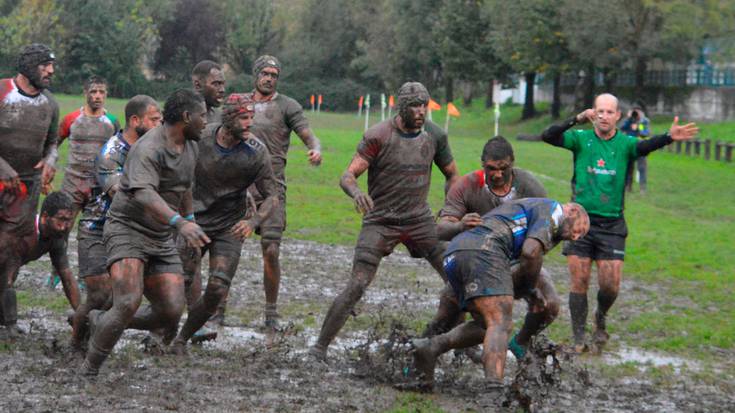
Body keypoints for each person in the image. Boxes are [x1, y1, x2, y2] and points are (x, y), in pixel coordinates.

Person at [310, 82, 459, 360]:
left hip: (420, 221)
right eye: (415, 105)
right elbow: (347, 176)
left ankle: (455, 343)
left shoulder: (435, 135)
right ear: (401, 107)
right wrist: (357, 193)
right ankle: (319, 347)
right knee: (357, 285)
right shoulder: (378, 135)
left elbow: (453, 175)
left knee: (457, 279)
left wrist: (450, 207)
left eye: (424, 105)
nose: (421, 111)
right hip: (381, 221)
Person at [539, 93, 698, 352]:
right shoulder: (580, 139)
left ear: (617, 116)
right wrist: (576, 119)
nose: (603, 116)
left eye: (609, 112)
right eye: (599, 111)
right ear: (593, 113)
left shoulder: (624, 144)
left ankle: (601, 316)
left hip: (612, 224)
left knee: (610, 285)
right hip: (579, 223)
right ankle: (579, 339)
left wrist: (669, 137)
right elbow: (548, 136)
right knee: (578, 281)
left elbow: (644, 147)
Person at [81, 89, 210, 376]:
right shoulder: (149, 148)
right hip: (128, 229)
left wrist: (189, 219)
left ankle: (102, 318)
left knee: (171, 310)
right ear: (187, 117)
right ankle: (89, 370)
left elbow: (184, 185)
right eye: (203, 116)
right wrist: (180, 223)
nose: (206, 121)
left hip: (161, 234)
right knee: (128, 301)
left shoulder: (190, 145)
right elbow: (143, 193)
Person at [411, 199, 589, 391]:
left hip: (455, 253)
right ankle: (493, 389)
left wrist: (523, 289)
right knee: (500, 323)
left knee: (485, 325)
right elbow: (530, 253)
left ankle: (431, 347)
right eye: (580, 229)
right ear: (572, 210)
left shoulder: (527, 210)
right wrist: (529, 289)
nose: (577, 237)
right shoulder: (553, 210)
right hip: (483, 251)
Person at [426, 136, 556, 360]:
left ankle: (520, 342)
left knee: (549, 304)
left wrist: (529, 284)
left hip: (518, 260)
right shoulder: (467, 186)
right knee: (447, 315)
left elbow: (544, 234)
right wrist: (459, 225)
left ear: (512, 163)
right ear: (482, 164)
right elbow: (439, 230)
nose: (497, 174)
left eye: (503, 168)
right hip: (477, 264)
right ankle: (418, 353)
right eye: (491, 168)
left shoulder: (530, 187)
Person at [171, 93, 278, 352]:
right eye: (244, 117)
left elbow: (273, 196)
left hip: (229, 227)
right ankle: (159, 330)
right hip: (194, 221)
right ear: (228, 118)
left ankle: (183, 338)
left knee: (218, 288)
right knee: (177, 282)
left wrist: (253, 223)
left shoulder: (256, 151)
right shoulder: (201, 138)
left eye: (252, 117)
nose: (250, 123)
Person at [70, 95, 162, 349]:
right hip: (97, 229)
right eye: (155, 120)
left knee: (124, 299)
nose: (160, 124)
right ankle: (75, 343)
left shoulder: (153, 149)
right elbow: (124, 196)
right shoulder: (112, 152)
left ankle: (95, 327)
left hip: (130, 230)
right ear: (135, 121)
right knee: (100, 295)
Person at [243, 55, 322, 329]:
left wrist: (315, 148)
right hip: (238, 188)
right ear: (255, 75)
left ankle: (271, 312)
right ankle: (217, 309)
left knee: (272, 250)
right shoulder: (240, 103)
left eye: (274, 75)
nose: (269, 78)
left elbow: (308, 134)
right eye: (265, 73)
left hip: (273, 188)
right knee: (226, 248)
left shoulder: (288, 106)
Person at [0, 192, 80, 337]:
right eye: (61, 219)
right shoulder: (22, 231)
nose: (64, 226)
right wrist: (11, 324)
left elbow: (67, 277)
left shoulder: (56, 238)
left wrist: (81, 314)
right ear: (44, 217)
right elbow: (7, 281)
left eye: (69, 220)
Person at [0, 43, 59, 235]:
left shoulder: (50, 103)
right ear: (28, 66)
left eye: (52, 65)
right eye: (45, 65)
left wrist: (51, 159)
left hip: (26, 188)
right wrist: (3, 168)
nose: (51, 71)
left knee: (14, 245)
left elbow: (52, 143)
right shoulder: (2, 91)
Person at [59, 76, 121, 218]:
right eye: (93, 92)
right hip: (71, 184)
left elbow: (119, 151)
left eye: (101, 92)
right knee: (63, 224)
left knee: (94, 232)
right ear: (85, 93)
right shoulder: (71, 119)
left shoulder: (112, 122)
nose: (98, 96)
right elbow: (53, 143)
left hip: (99, 186)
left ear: (106, 94)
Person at [620, 107, 651, 193]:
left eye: (637, 112)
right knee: (629, 168)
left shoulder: (644, 121)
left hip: (641, 145)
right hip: (629, 146)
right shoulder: (629, 120)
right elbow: (621, 128)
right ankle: (628, 187)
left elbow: (646, 133)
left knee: (641, 167)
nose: (635, 115)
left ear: (641, 112)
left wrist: (639, 126)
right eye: (634, 112)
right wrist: (629, 119)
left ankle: (642, 188)